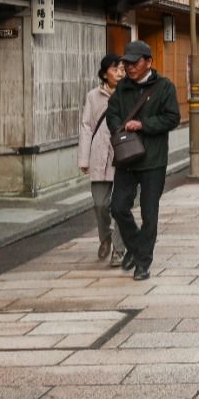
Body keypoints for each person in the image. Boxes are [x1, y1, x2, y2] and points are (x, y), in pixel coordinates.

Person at [107, 40, 180, 282]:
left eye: (134, 63)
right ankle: (136, 246)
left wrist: (144, 125)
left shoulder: (164, 87)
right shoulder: (122, 89)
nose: (129, 67)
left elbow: (172, 118)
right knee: (117, 207)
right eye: (126, 63)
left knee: (150, 213)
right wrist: (119, 126)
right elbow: (112, 113)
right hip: (127, 158)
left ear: (148, 62)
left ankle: (142, 262)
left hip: (153, 159)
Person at [78, 55, 126, 267]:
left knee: (120, 206)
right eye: (116, 68)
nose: (120, 72)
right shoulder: (93, 96)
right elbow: (86, 126)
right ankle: (105, 236)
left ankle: (118, 250)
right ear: (105, 72)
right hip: (99, 156)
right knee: (100, 205)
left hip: (123, 155)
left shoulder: (129, 94)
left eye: (122, 69)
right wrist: (84, 157)